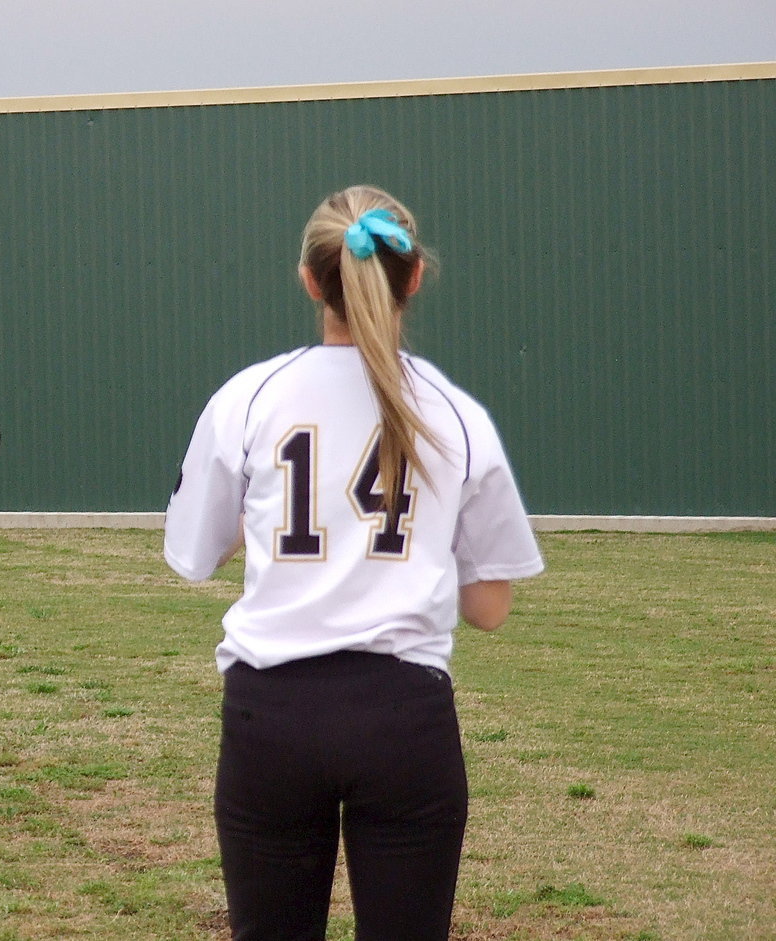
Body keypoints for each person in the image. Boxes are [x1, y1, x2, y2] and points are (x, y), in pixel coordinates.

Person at [163, 185, 544, 940]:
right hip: (405, 723)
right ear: (414, 279)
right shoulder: (457, 413)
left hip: (271, 717)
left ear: (310, 279)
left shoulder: (249, 398)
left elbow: (193, 554)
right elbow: (490, 607)